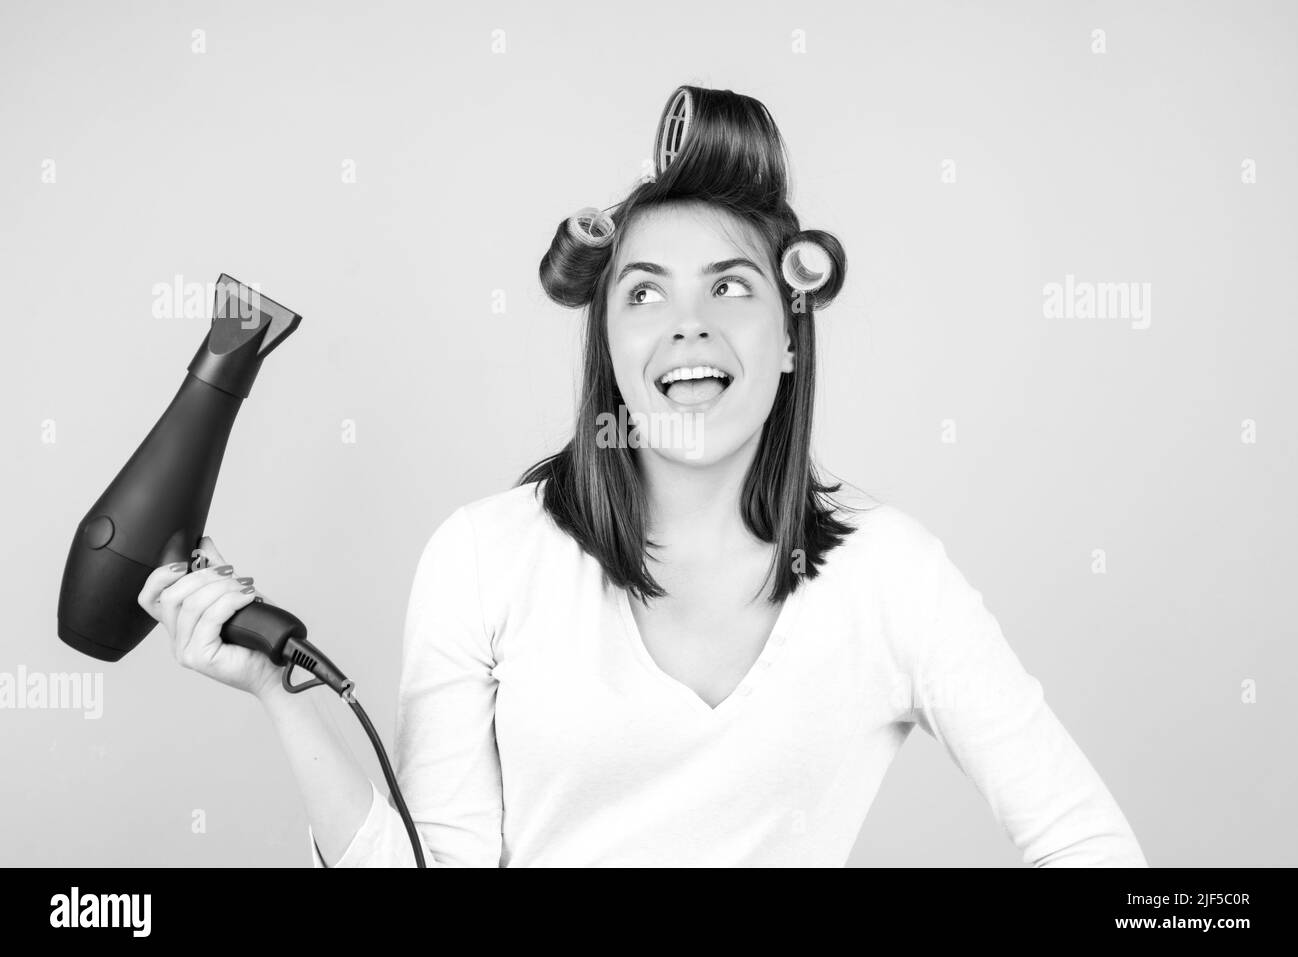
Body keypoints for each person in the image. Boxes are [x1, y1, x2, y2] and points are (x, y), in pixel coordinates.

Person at [136, 85, 1148, 868]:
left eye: (730, 287)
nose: (689, 325)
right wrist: (280, 696)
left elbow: (1093, 851)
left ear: (790, 333)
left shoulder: (891, 575)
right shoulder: (490, 556)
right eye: (645, 293)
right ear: (609, 341)